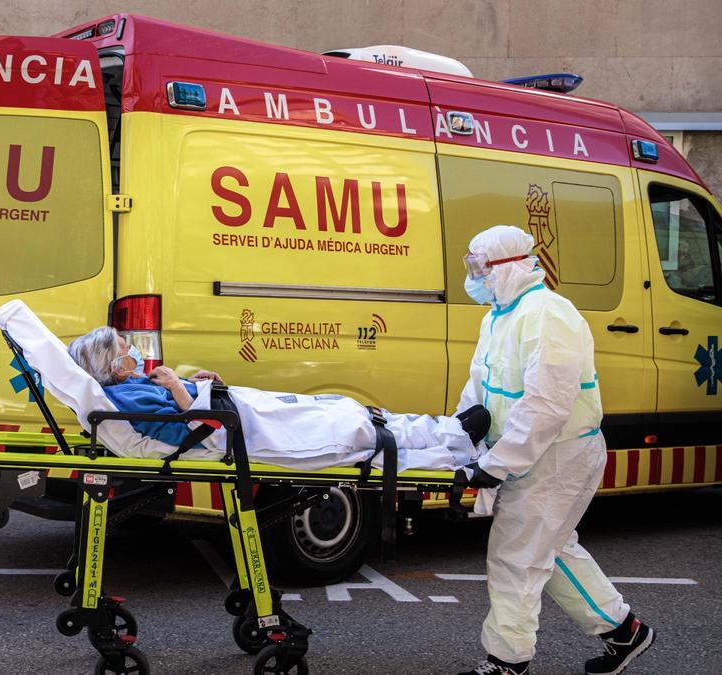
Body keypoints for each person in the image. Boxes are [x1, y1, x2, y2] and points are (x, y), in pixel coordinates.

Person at [455, 226, 653, 675]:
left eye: (480, 267)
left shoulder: (550, 316)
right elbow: (480, 387)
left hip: (560, 457)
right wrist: (459, 436)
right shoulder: (497, 316)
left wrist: (496, 464)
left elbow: (547, 403)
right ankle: (624, 631)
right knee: (551, 549)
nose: (474, 276)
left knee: (516, 557)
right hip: (531, 456)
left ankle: (508, 661)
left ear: (511, 266)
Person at [66, 326, 491, 471]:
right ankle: (457, 449)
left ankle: (446, 428)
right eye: (125, 347)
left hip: (236, 414)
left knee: (343, 409)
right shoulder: (125, 398)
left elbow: (185, 415)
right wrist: (179, 387)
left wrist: (195, 385)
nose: (133, 350)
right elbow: (186, 432)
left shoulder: (131, 388)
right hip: (238, 432)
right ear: (113, 364)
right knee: (351, 436)